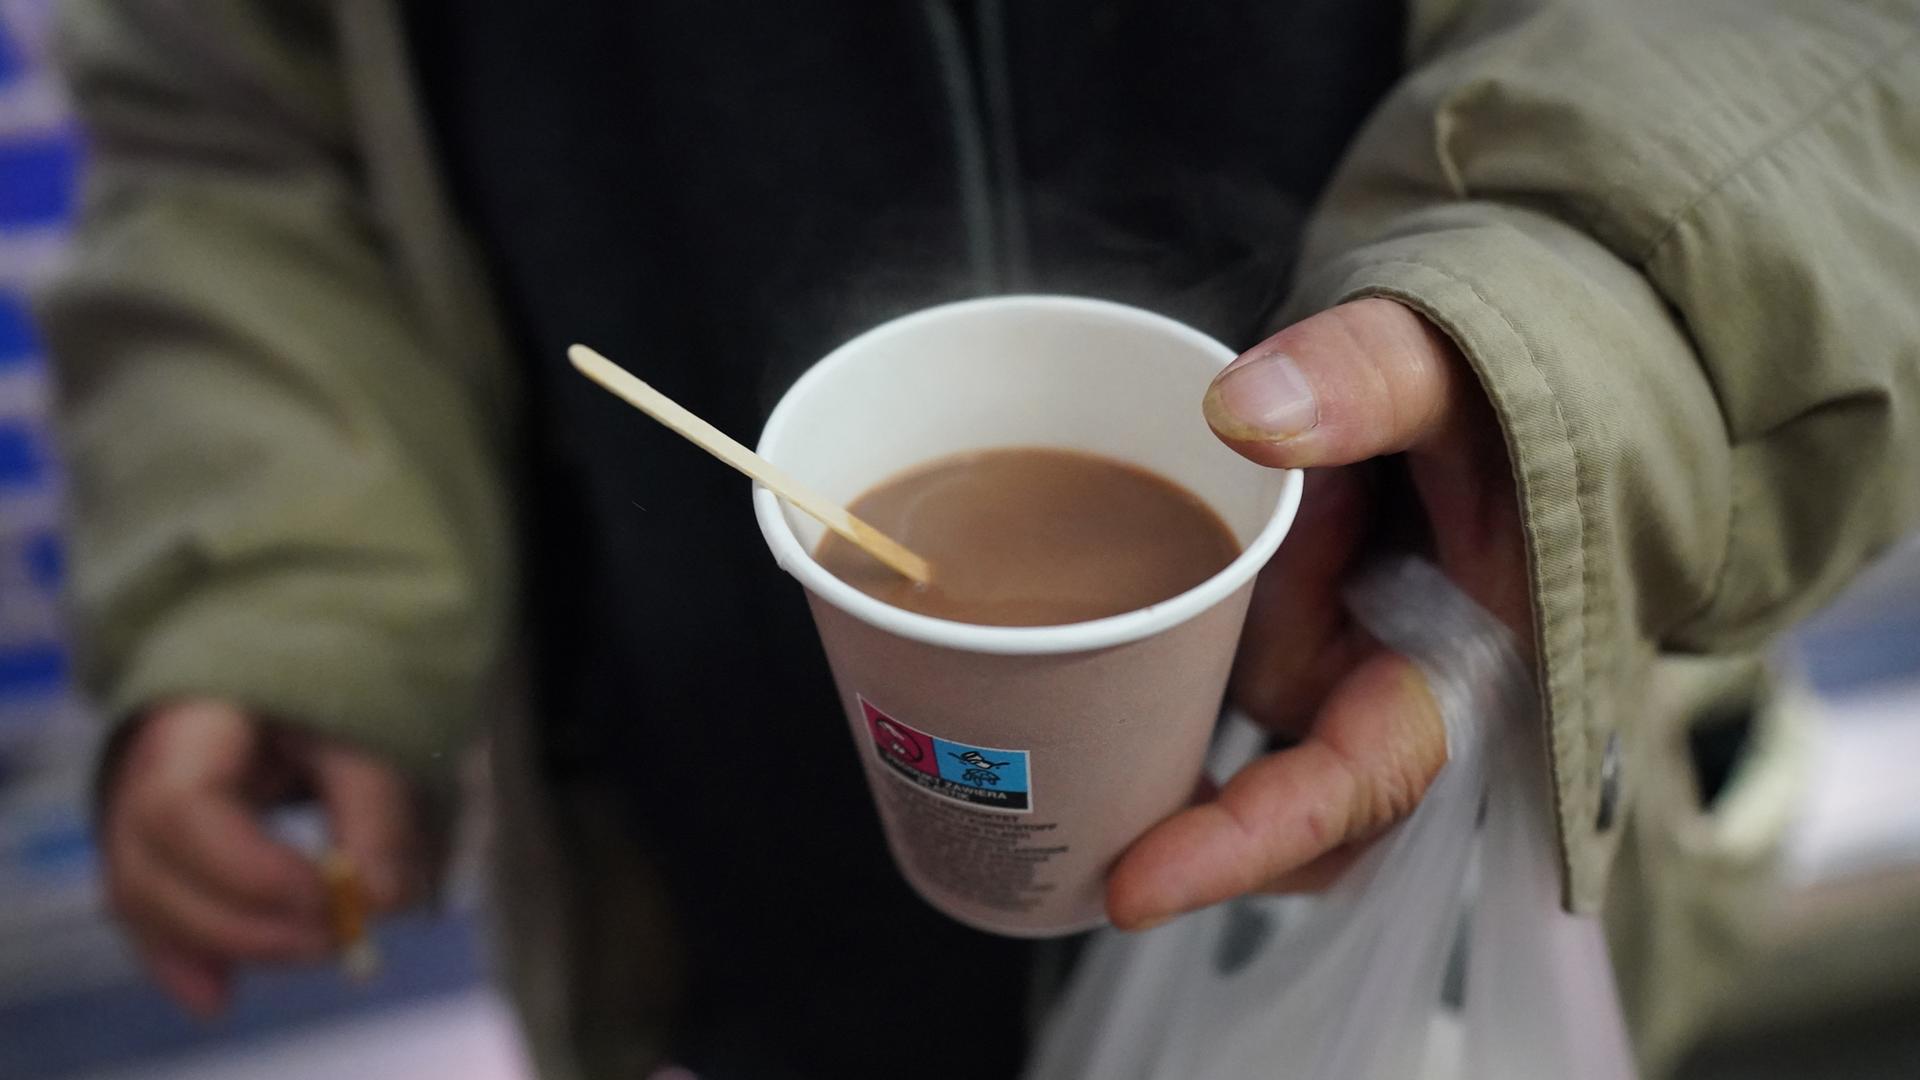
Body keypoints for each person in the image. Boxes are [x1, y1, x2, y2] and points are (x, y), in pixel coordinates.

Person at [39, 1, 1920, 1077]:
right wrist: (285, 576)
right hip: (723, 926)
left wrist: (1582, 319)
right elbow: (245, 134)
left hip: (1408, 840)